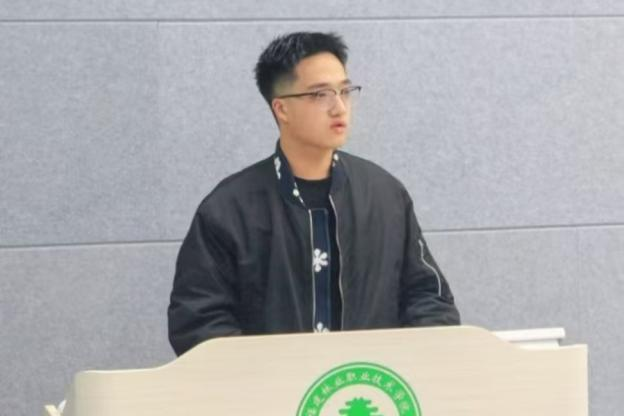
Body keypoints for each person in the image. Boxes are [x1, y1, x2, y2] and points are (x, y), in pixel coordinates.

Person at [167, 31, 460, 356]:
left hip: (367, 383)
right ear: (282, 109)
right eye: (321, 94)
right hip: (272, 387)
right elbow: (199, 322)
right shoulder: (228, 209)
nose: (339, 107)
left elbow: (429, 299)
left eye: (345, 91)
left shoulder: (385, 195)